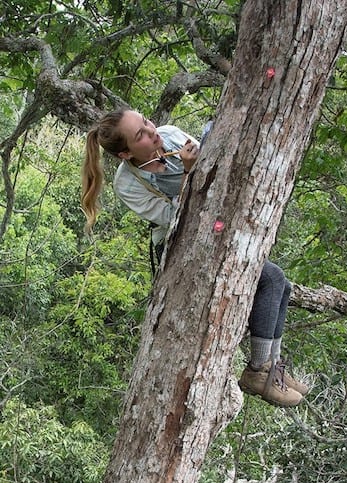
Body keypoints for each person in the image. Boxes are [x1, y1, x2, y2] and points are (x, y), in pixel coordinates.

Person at [81, 108, 309, 407]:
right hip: (178, 243)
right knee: (270, 277)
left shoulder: (172, 134)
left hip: (213, 228)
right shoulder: (127, 184)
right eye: (141, 135)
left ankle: (272, 370)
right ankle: (257, 371)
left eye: (147, 123)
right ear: (125, 153)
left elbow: (218, 171)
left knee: (284, 285)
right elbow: (175, 219)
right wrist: (189, 173)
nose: (153, 132)